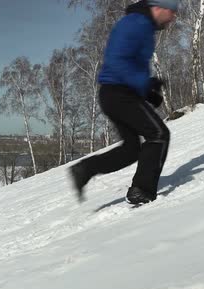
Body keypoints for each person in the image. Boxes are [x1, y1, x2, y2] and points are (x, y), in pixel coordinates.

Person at [69, 0, 178, 205]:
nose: (173, 17)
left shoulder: (142, 25)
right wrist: (145, 87)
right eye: (172, 11)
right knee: (158, 135)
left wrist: (148, 86)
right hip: (119, 93)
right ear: (159, 7)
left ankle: (86, 169)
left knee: (131, 150)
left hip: (116, 93)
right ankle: (142, 190)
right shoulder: (136, 24)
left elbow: (129, 64)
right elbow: (118, 61)